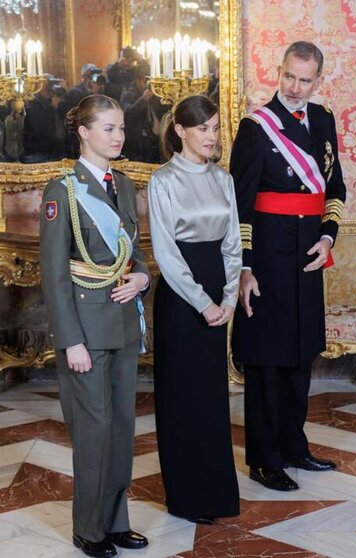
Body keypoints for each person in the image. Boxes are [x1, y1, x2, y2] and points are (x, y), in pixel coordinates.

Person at [229, 41, 346, 492]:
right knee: (266, 358)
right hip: (267, 255)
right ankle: (264, 458)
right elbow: (240, 203)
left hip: (307, 255)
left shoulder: (324, 120)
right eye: (289, 77)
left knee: (301, 353)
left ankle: (294, 446)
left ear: (319, 80)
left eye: (306, 80)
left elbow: (334, 187)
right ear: (279, 73)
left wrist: (327, 235)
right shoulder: (256, 127)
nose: (296, 88)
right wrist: (245, 267)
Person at [40, 94, 150, 558]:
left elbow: (134, 250)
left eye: (121, 128)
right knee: (93, 430)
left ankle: (115, 521)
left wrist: (143, 275)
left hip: (123, 325)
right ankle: (88, 527)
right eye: (108, 128)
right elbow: (54, 273)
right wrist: (71, 342)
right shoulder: (61, 191)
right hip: (85, 329)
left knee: (122, 427)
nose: (118, 136)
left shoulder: (123, 184)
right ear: (84, 133)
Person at [148, 95, 242, 525]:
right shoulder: (162, 180)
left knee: (211, 399)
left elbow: (232, 244)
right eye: (202, 128)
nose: (211, 136)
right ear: (181, 131)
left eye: (216, 127)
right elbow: (166, 253)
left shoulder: (223, 179)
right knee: (181, 397)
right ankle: (185, 497)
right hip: (181, 299)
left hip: (216, 296)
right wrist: (203, 302)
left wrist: (226, 297)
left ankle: (216, 494)